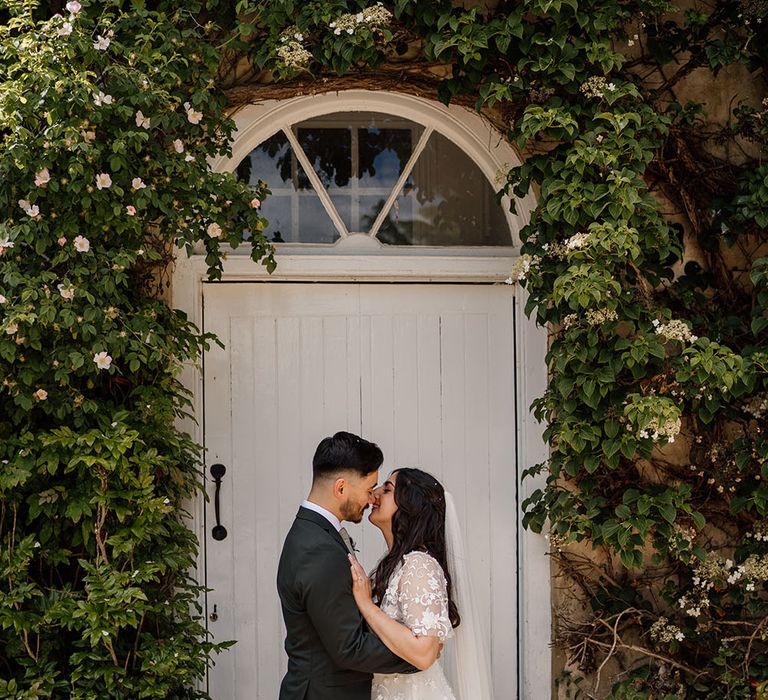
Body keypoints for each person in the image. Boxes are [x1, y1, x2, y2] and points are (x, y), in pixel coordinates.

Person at [277, 431, 416, 700]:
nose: (372, 498)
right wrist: (418, 654)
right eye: (368, 489)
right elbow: (349, 648)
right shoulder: (319, 549)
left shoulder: (314, 533)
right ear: (340, 488)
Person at [348, 468, 493, 700]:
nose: (374, 494)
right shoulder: (395, 564)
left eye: (386, 489)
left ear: (410, 506)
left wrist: (367, 605)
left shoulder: (418, 565)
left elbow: (424, 654)